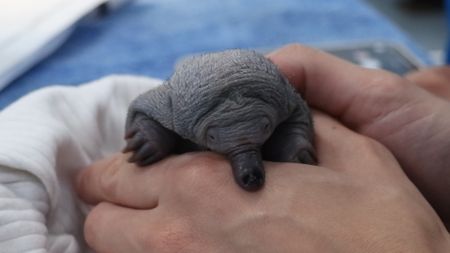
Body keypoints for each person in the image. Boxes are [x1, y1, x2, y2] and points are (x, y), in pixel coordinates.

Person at [75, 44, 450, 252]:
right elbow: (145, 110)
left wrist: (294, 140)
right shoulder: (169, 104)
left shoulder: (284, 98)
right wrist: (151, 137)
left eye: (265, 126)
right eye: (214, 134)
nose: (247, 169)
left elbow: (298, 113)